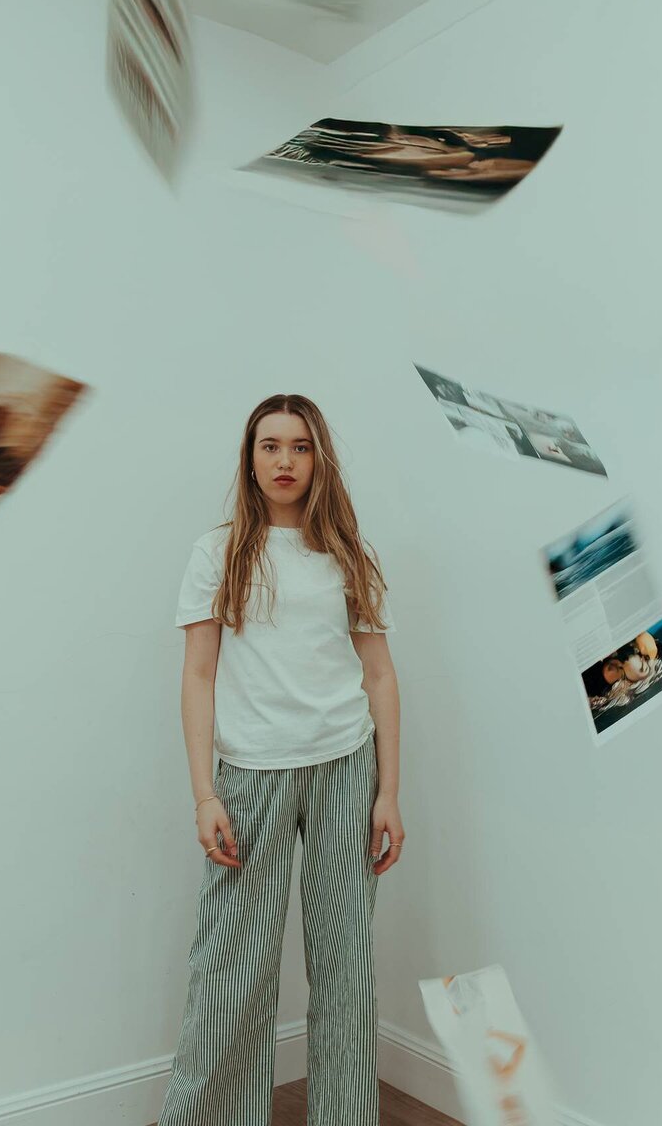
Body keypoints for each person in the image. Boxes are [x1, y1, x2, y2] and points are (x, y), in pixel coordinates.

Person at [158, 393, 404, 1126]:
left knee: (344, 970)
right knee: (233, 969)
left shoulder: (350, 556)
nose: (285, 461)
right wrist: (205, 793)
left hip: (345, 767)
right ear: (251, 457)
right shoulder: (219, 551)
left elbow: (381, 676)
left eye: (299, 447)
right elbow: (198, 676)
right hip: (251, 775)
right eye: (270, 446)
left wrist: (388, 792)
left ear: (318, 457)